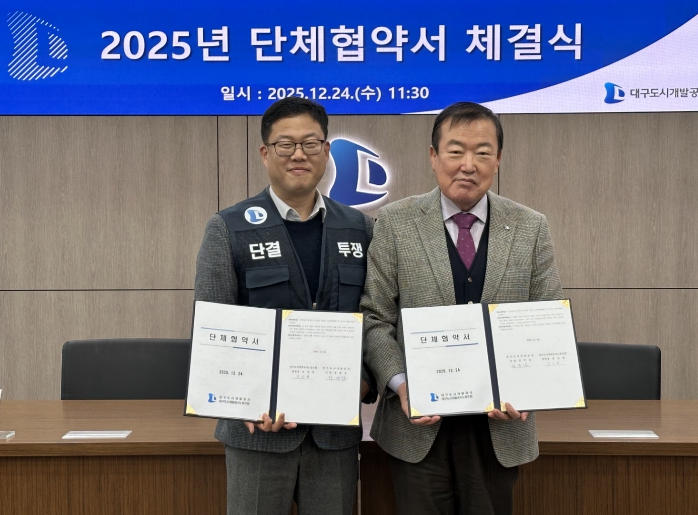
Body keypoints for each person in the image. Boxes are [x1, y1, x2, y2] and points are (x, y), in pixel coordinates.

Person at [360, 101, 563, 515]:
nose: (468, 165)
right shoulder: (395, 222)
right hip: (417, 425)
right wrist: (402, 384)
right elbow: (375, 317)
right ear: (433, 156)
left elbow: (546, 321)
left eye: (482, 152)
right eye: (455, 151)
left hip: (499, 427)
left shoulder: (530, 226)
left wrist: (528, 388)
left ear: (498, 159)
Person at [194, 97, 376, 515]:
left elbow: (375, 316)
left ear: (326, 151)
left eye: (310, 143)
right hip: (257, 432)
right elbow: (213, 327)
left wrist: (364, 383)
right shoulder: (229, 228)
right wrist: (242, 400)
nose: (299, 154)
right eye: (285, 144)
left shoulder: (359, 228)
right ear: (265, 153)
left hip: (333, 434)